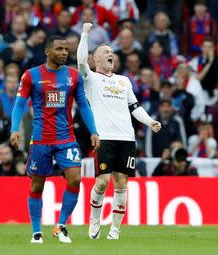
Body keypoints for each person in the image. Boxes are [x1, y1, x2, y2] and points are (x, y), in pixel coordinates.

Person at [11, 35, 99, 244]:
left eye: (66, 50)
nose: (63, 53)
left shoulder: (73, 76)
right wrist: (15, 129)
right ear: (47, 52)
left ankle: (60, 226)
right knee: (37, 186)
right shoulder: (31, 76)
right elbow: (19, 105)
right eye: (59, 49)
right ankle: (36, 232)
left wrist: (94, 131)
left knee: (75, 179)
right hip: (41, 139)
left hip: (66, 138)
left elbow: (84, 105)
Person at [77, 23, 162, 240]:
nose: (111, 54)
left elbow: (134, 107)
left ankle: (115, 229)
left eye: (112, 52)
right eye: (106, 52)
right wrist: (85, 34)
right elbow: (79, 60)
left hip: (127, 137)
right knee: (103, 181)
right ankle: (95, 219)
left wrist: (150, 121)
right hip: (104, 137)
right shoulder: (91, 79)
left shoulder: (124, 81)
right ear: (95, 59)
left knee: (122, 183)